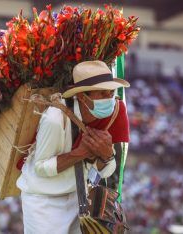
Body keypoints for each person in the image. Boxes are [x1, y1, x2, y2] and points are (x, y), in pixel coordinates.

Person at [16, 60, 130, 234]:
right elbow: (40, 168)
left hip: (79, 198)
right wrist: (80, 153)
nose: (109, 98)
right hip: (43, 202)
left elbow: (105, 172)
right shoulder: (55, 119)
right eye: (101, 93)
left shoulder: (113, 114)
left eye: (110, 92)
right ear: (83, 97)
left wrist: (107, 156)